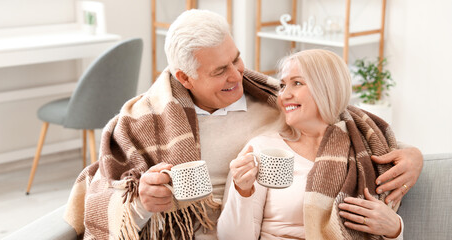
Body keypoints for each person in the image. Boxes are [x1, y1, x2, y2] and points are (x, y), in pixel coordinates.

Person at [64, 10, 423, 240]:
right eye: (220, 71)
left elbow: (343, 118)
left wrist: (412, 154)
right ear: (184, 77)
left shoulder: (276, 102)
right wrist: (144, 202)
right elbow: (116, 199)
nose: (238, 75)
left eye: (236, 59)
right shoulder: (146, 122)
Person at [217, 49, 405, 239]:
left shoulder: (363, 150)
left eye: (297, 83)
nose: (284, 95)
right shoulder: (264, 149)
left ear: (327, 89)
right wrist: (242, 191)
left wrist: (395, 229)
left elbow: (403, 155)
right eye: (282, 85)